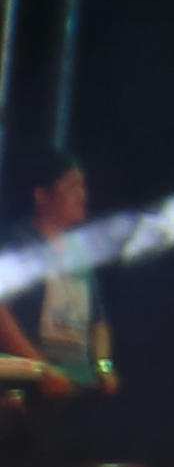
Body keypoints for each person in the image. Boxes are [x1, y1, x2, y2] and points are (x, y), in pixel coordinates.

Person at [0, 157, 115, 406]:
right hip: (22, 389)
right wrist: (39, 369)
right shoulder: (17, 243)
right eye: (71, 188)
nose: (81, 196)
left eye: (82, 187)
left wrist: (104, 366)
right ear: (42, 196)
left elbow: (98, 321)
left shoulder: (80, 252)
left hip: (73, 389)